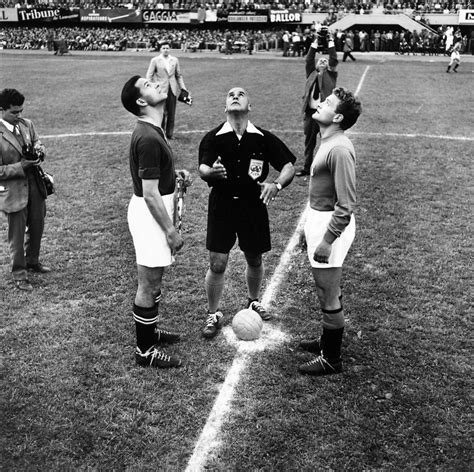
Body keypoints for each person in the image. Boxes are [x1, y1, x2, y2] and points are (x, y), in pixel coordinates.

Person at [198, 87, 296, 339]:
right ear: (225, 106)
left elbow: (288, 166)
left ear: (249, 106)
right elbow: (202, 169)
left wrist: (276, 185)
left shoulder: (262, 137)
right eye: (230, 94)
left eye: (241, 94)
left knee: (254, 257)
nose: (235, 95)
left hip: (253, 206)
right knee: (217, 262)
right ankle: (213, 313)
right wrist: (211, 173)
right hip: (222, 205)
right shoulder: (213, 138)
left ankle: (253, 300)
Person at [121, 75, 191, 368]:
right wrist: (170, 230)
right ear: (141, 101)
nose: (156, 84)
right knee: (148, 284)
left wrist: (175, 178)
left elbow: (155, 184)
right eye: (148, 85)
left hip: (155, 209)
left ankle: (150, 332)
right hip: (151, 216)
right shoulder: (148, 137)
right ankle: (144, 351)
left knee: (155, 280)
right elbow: (149, 194)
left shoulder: (153, 130)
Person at [298, 87, 362, 376]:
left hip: (330, 227)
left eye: (326, 102)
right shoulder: (327, 140)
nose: (319, 103)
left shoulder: (338, 148)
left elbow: (345, 205)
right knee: (325, 288)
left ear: (337, 116)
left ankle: (331, 358)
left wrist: (326, 240)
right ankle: (327, 340)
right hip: (318, 220)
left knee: (328, 292)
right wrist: (306, 228)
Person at [0, 88, 51, 291]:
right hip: (13, 190)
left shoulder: (27, 124)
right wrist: (21, 167)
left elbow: (37, 141)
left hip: (35, 186)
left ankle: (32, 260)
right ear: (1, 110)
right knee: (17, 234)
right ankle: (19, 274)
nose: (19, 116)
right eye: (14, 112)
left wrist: (40, 149)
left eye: (21, 111)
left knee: (37, 226)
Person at [296, 32, 338, 177]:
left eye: (324, 61)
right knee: (309, 142)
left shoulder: (331, 75)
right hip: (310, 113)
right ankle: (307, 167)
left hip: (324, 114)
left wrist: (330, 41)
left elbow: (333, 59)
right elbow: (309, 59)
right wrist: (315, 42)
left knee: (327, 141)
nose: (322, 61)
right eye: (320, 60)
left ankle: (327, 167)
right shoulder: (311, 73)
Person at [145, 41, 188, 140]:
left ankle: (169, 134)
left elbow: (178, 75)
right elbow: (149, 76)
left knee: (171, 113)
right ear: (160, 49)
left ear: (170, 49)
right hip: (160, 90)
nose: (166, 50)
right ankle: (160, 133)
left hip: (172, 89)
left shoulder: (175, 60)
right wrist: (150, 88)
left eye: (167, 48)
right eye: (163, 48)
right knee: (161, 113)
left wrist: (183, 88)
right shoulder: (155, 60)